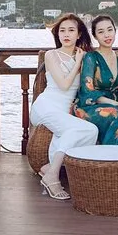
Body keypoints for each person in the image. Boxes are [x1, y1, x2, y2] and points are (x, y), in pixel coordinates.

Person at [30, 13, 97, 200]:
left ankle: (49, 168)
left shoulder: (85, 57)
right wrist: (77, 63)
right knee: (86, 129)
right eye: (62, 30)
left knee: (89, 131)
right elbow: (64, 85)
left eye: (71, 30)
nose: (66, 34)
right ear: (57, 34)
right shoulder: (51, 55)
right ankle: (52, 176)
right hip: (45, 106)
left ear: (79, 34)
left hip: (63, 112)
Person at [73, 15, 118, 147]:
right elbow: (87, 91)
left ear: (115, 31)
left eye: (110, 30)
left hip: (117, 104)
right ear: (95, 36)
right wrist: (113, 102)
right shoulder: (91, 57)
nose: (107, 35)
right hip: (91, 107)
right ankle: (107, 155)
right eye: (101, 32)